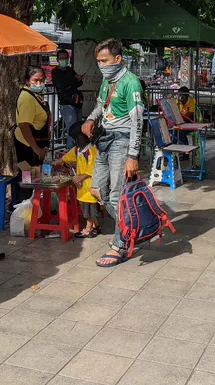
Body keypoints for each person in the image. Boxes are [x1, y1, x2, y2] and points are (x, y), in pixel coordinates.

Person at [81, 39, 144, 268]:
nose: (101, 65)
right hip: (105, 139)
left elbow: (138, 121)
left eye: (104, 61)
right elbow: (101, 105)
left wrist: (133, 155)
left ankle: (121, 243)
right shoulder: (107, 81)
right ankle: (129, 228)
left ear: (118, 59)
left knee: (118, 196)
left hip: (122, 142)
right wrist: (91, 118)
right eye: (98, 61)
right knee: (97, 190)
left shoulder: (131, 83)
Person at [53, 121, 99, 238]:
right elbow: (66, 158)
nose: (74, 142)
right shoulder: (77, 150)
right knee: (88, 209)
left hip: (90, 186)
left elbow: (93, 167)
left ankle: (88, 229)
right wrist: (56, 163)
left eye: (75, 138)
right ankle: (95, 226)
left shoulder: (91, 150)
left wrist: (81, 176)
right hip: (82, 187)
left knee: (88, 211)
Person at [14, 66, 51, 202]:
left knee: (32, 178)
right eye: (35, 80)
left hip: (33, 144)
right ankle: (21, 208)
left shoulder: (35, 95)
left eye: (42, 80)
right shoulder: (26, 98)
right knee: (27, 178)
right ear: (27, 81)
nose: (39, 83)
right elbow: (24, 126)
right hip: (26, 145)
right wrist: (36, 149)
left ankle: (29, 206)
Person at [51, 49, 83, 149]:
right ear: (57, 59)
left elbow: (77, 83)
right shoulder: (56, 72)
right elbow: (62, 86)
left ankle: (77, 151)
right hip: (66, 104)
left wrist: (79, 79)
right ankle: (70, 152)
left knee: (78, 129)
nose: (64, 60)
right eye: (61, 58)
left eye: (66, 58)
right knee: (71, 129)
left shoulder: (70, 70)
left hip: (76, 102)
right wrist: (74, 80)